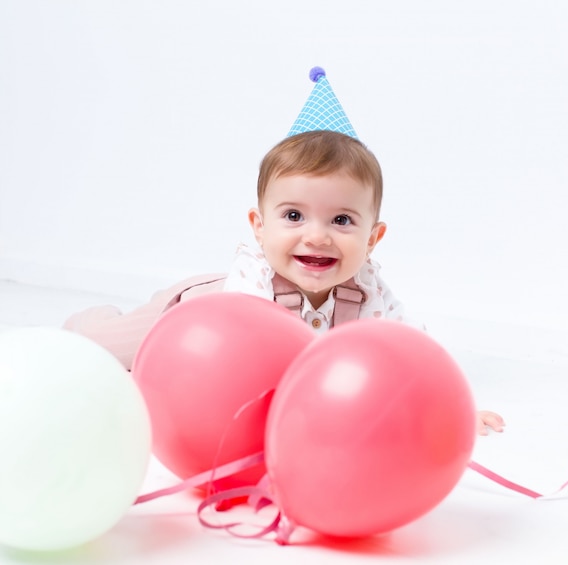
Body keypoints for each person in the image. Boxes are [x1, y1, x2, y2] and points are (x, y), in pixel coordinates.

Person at [63, 69, 504, 436]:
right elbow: (243, 355)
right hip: (185, 318)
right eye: (294, 216)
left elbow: (409, 351)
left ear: (372, 239)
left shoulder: (368, 290)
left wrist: (451, 409)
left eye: (342, 220)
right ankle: (94, 319)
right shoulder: (249, 288)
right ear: (259, 227)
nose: (317, 237)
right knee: (98, 351)